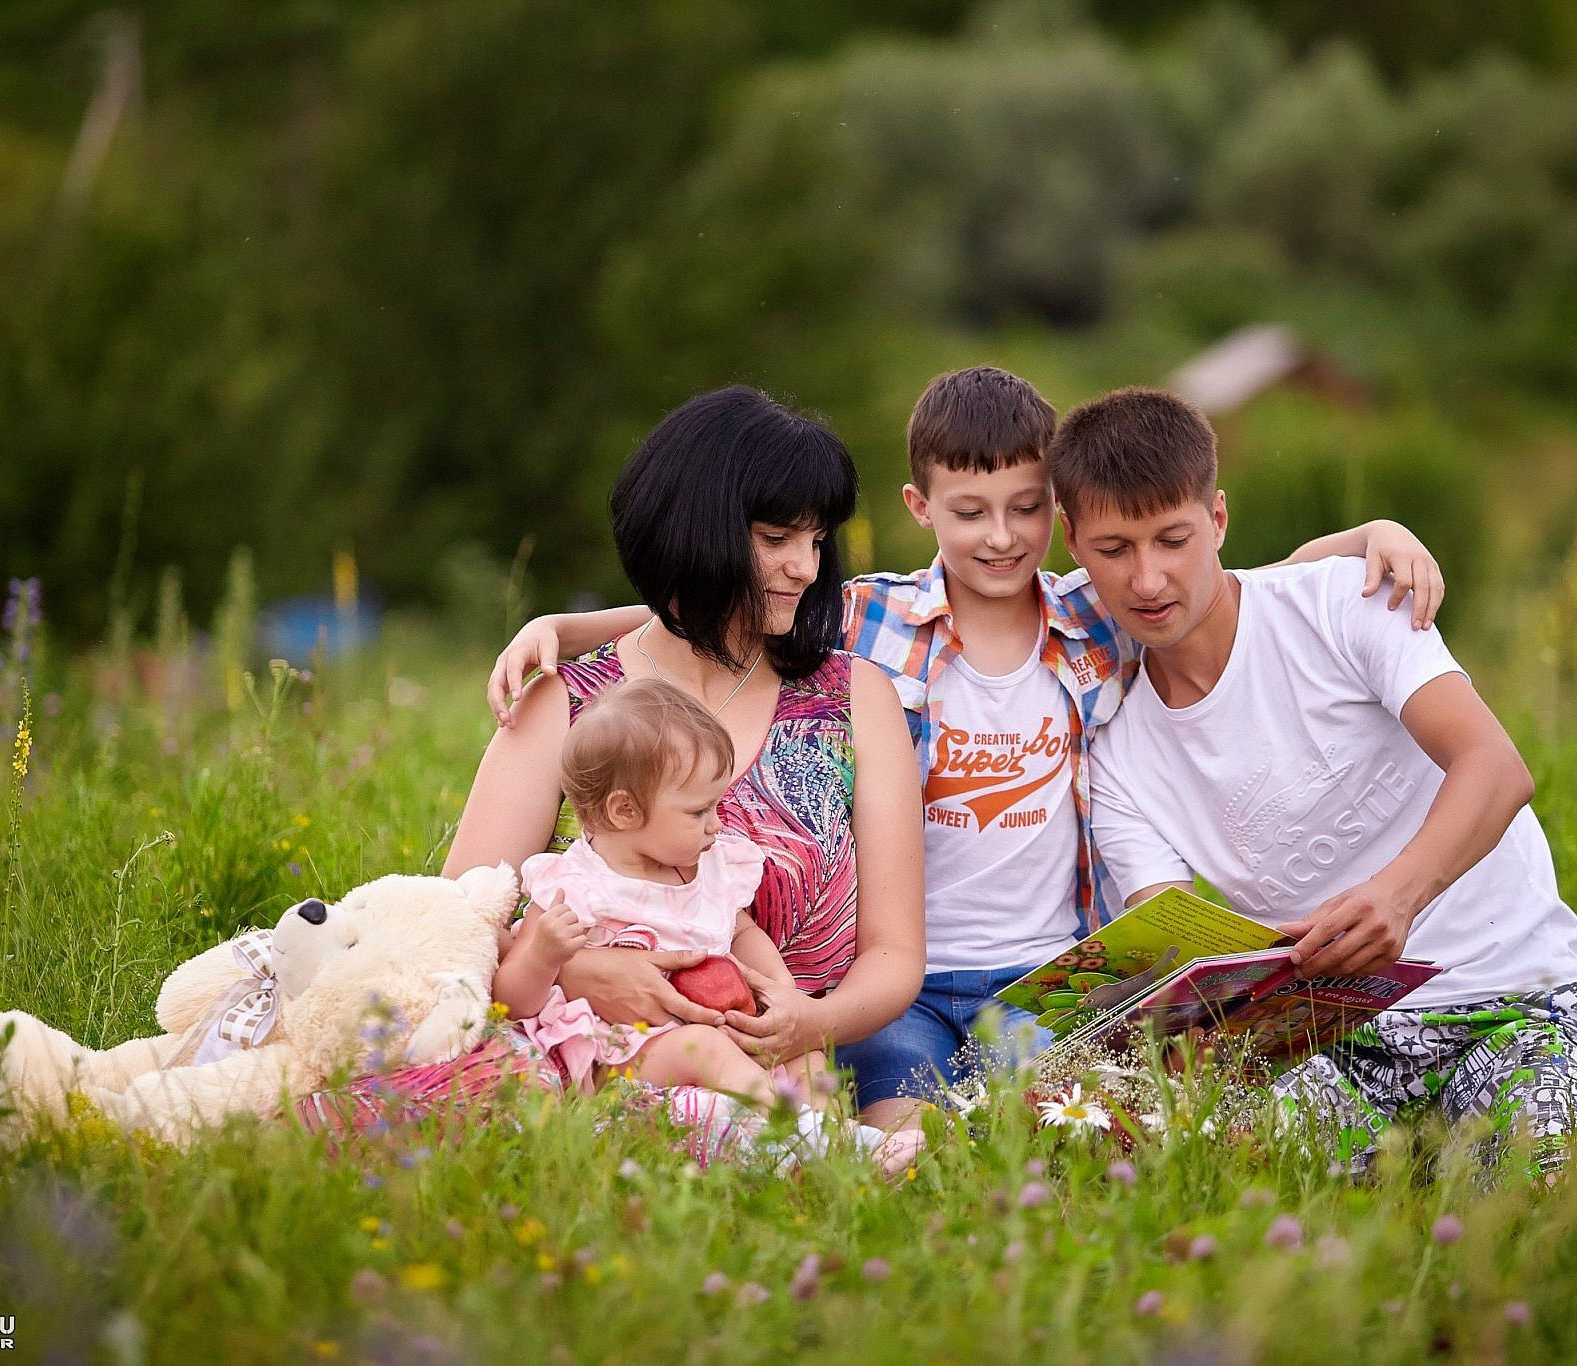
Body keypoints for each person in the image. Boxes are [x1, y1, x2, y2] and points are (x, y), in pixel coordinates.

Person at [486, 365, 1445, 1130]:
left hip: (1022, 971)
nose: (1001, 537)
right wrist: (569, 629)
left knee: (1052, 1124)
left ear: (1058, 516)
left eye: (1027, 510)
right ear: (920, 506)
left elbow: (1213, 579)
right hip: (868, 998)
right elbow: (707, 603)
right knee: (912, 1113)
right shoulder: (875, 619)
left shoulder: (1086, 617)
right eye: (970, 512)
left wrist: (1367, 533)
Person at [297, 386, 925, 1150]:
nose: (803, 566)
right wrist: (579, 972)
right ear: (697, 529)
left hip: (797, 1075)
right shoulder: (565, 705)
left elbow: (893, 953)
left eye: (818, 541)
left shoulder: (853, 698)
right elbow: (455, 926)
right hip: (610, 1067)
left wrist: (810, 1023)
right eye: (775, 537)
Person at [1052, 386, 1577, 1177]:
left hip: (1520, 999)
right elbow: (1173, 942)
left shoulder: (1340, 602)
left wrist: (1398, 895)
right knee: (1213, 1180)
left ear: (1217, 521)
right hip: (1338, 1042)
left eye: (1173, 539)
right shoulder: (1115, 752)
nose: (1148, 579)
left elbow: (1496, 768)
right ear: (1071, 541)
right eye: (1115, 549)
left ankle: (1529, 1127)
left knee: (1540, 1192)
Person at [499, 679, 836, 1113]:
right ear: (625, 810)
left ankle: (835, 1148)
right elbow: (511, 1000)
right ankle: (797, 1132)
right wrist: (542, 957)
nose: (716, 824)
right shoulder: (574, 886)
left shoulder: (713, 867)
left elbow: (742, 933)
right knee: (703, 1047)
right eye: (698, 811)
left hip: (724, 1028)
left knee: (805, 1056)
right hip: (625, 1054)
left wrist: (782, 991)